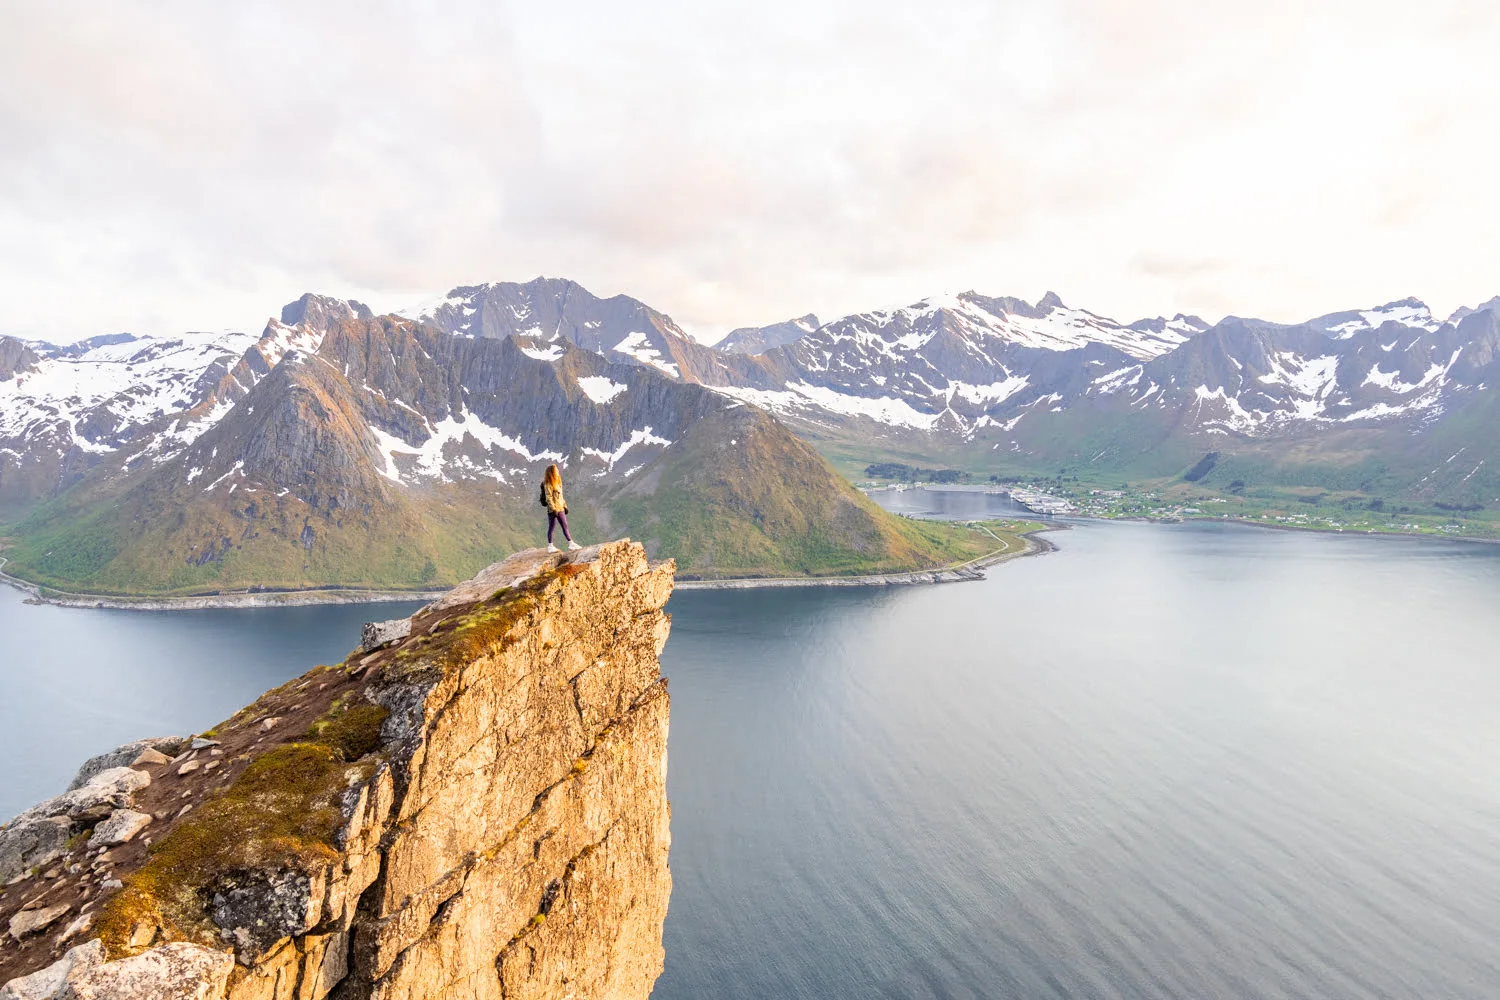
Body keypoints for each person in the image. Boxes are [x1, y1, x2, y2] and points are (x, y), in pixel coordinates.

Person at [539, 463, 581, 553]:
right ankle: (550, 546)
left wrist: (564, 506)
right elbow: (549, 497)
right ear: (552, 472)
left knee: (564, 525)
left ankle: (571, 543)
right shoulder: (548, 484)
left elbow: (561, 496)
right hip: (553, 510)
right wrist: (553, 509)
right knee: (552, 527)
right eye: (556, 470)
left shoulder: (557, 483)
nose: (558, 472)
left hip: (560, 508)